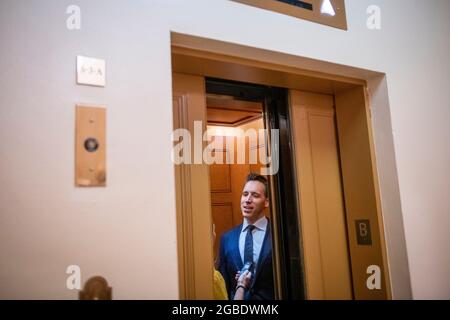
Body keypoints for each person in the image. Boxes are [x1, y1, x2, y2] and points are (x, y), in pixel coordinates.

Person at [218, 173, 274, 300]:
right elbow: (224, 286)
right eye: (245, 194)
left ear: (266, 202)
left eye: (255, 195)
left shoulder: (277, 235)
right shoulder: (227, 239)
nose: (248, 200)